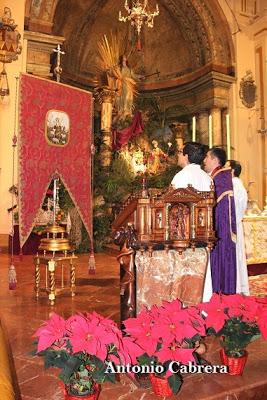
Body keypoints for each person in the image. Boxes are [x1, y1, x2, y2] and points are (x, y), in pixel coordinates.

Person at [203, 147, 237, 295]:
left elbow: (224, 210)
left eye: (207, 158)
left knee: (221, 258)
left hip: (220, 229)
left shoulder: (220, 178)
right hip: (217, 227)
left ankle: (221, 293)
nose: (204, 161)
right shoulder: (216, 177)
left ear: (215, 160)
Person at [227, 160, 249, 295]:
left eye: (226, 167)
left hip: (233, 225)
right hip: (236, 224)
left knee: (236, 256)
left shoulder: (234, 184)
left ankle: (237, 287)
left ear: (232, 171)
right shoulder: (237, 184)